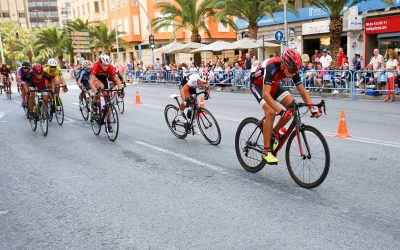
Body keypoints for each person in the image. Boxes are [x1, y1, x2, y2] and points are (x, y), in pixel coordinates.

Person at [249, 48, 321, 164]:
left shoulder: (292, 69)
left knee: (292, 106)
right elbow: (266, 95)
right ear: (283, 65)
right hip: (257, 85)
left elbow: (303, 91)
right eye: (291, 71)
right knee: (271, 112)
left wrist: (312, 108)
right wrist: (281, 112)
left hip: (272, 84)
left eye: (295, 71)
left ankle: (274, 134)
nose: (293, 73)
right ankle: (266, 151)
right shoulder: (271, 66)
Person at [176, 70, 210, 134]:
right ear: (199, 80)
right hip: (184, 85)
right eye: (203, 83)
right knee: (187, 101)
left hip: (192, 87)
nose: (205, 85)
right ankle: (179, 114)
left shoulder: (203, 81)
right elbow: (183, 91)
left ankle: (193, 124)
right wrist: (185, 100)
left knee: (195, 105)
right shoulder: (193, 80)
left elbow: (208, 88)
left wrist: (207, 95)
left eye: (206, 83)